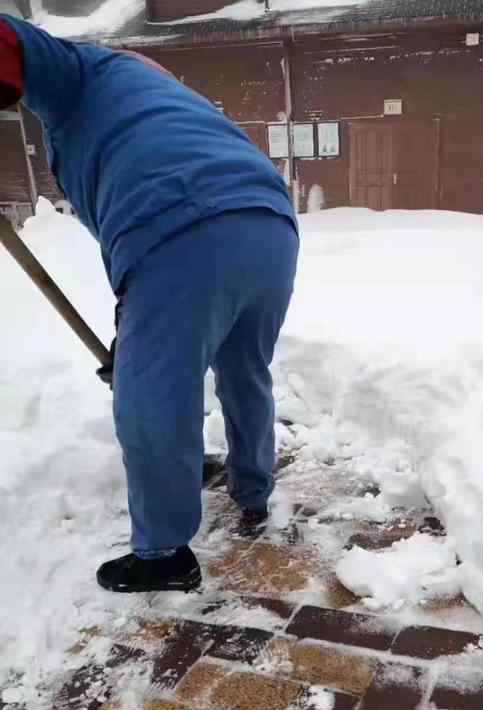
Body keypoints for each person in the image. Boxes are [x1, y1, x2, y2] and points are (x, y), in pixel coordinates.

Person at [0, 14, 299, 593]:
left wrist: (139, 352)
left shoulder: (82, 69)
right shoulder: (165, 100)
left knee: (153, 395)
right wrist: (131, 334)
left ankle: (163, 552)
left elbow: (13, 39)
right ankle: (253, 488)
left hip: (182, 225)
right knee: (244, 370)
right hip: (269, 227)